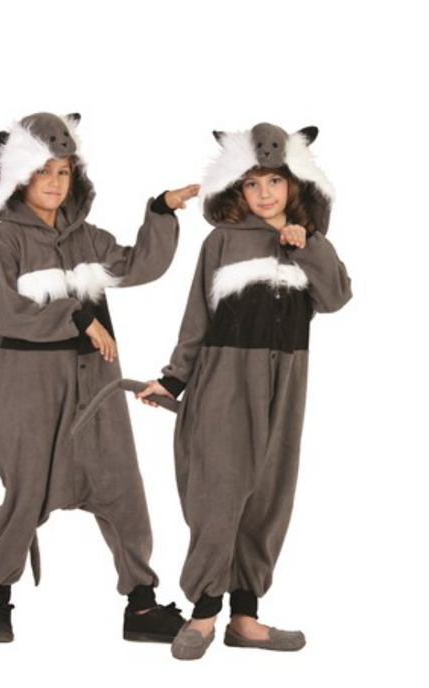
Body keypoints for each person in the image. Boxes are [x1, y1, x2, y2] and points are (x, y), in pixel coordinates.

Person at [0, 111, 199, 644]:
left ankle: (141, 607)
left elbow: (140, 265)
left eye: (64, 172)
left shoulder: (87, 239)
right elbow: (10, 314)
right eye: (43, 172)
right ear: (19, 177)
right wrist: (77, 316)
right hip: (30, 388)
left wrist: (160, 210)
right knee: (26, 492)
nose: (55, 182)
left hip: (95, 383)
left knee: (122, 485)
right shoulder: (7, 241)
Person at [137, 122, 352, 660]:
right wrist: (174, 377)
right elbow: (197, 316)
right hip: (225, 380)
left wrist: (307, 246)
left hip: (288, 381)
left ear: (294, 184)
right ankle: (204, 613)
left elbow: (336, 298)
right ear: (238, 188)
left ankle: (245, 618)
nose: (264, 193)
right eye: (253, 184)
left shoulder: (311, 243)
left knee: (270, 493)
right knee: (219, 490)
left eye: (274, 182)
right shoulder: (223, 241)